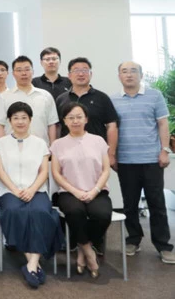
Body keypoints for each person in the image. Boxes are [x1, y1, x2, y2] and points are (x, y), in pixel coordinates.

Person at [0, 102, 63, 289]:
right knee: (14, 211)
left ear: (30, 120)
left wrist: (32, 189)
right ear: (9, 121)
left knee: (41, 212)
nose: (20, 121)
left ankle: (31, 264)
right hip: (10, 191)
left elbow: (43, 172)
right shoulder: (1, 143)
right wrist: (15, 190)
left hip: (37, 190)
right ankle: (33, 263)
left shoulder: (40, 143)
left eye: (24, 117)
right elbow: (0, 171)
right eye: (15, 118)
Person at [111, 61, 175, 264]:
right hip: (126, 160)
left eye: (133, 71)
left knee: (157, 204)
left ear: (141, 75)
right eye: (124, 71)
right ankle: (133, 240)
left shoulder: (154, 96)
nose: (129, 75)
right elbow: (112, 129)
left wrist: (165, 150)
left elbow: (163, 124)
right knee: (129, 204)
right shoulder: (113, 100)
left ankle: (163, 245)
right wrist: (112, 155)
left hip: (151, 159)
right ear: (119, 76)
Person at [51, 102, 112, 278]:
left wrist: (95, 190)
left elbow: (106, 170)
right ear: (64, 121)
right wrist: (75, 191)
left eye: (79, 117)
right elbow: (56, 173)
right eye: (71, 117)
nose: (75, 121)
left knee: (102, 215)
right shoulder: (58, 144)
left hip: (97, 190)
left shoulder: (98, 141)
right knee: (75, 212)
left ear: (86, 119)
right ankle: (88, 251)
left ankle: (82, 247)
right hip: (69, 192)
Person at [0, 55, 58, 145]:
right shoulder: (5, 97)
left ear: (33, 72)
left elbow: (52, 124)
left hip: (40, 148)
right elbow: (0, 125)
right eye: (19, 70)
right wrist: (1, 148)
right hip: (12, 148)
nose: (23, 73)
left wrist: (52, 147)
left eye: (27, 69)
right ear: (13, 74)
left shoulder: (45, 96)